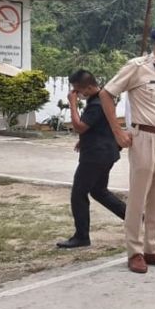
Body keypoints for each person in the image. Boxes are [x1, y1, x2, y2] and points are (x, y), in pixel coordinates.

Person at [99, 28, 155, 274]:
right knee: (139, 197)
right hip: (145, 137)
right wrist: (117, 131)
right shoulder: (137, 68)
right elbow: (106, 93)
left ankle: (153, 247)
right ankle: (135, 252)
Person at [56, 70, 127, 248]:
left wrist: (72, 104)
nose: (76, 93)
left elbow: (80, 126)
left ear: (88, 87)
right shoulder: (103, 97)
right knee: (98, 191)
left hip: (96, 155)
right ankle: (134, 218)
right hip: (105, 152)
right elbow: (99, 126)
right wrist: (84, 140)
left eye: (77, 89)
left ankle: (82, 236)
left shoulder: (97, 103)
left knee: (78, 194)